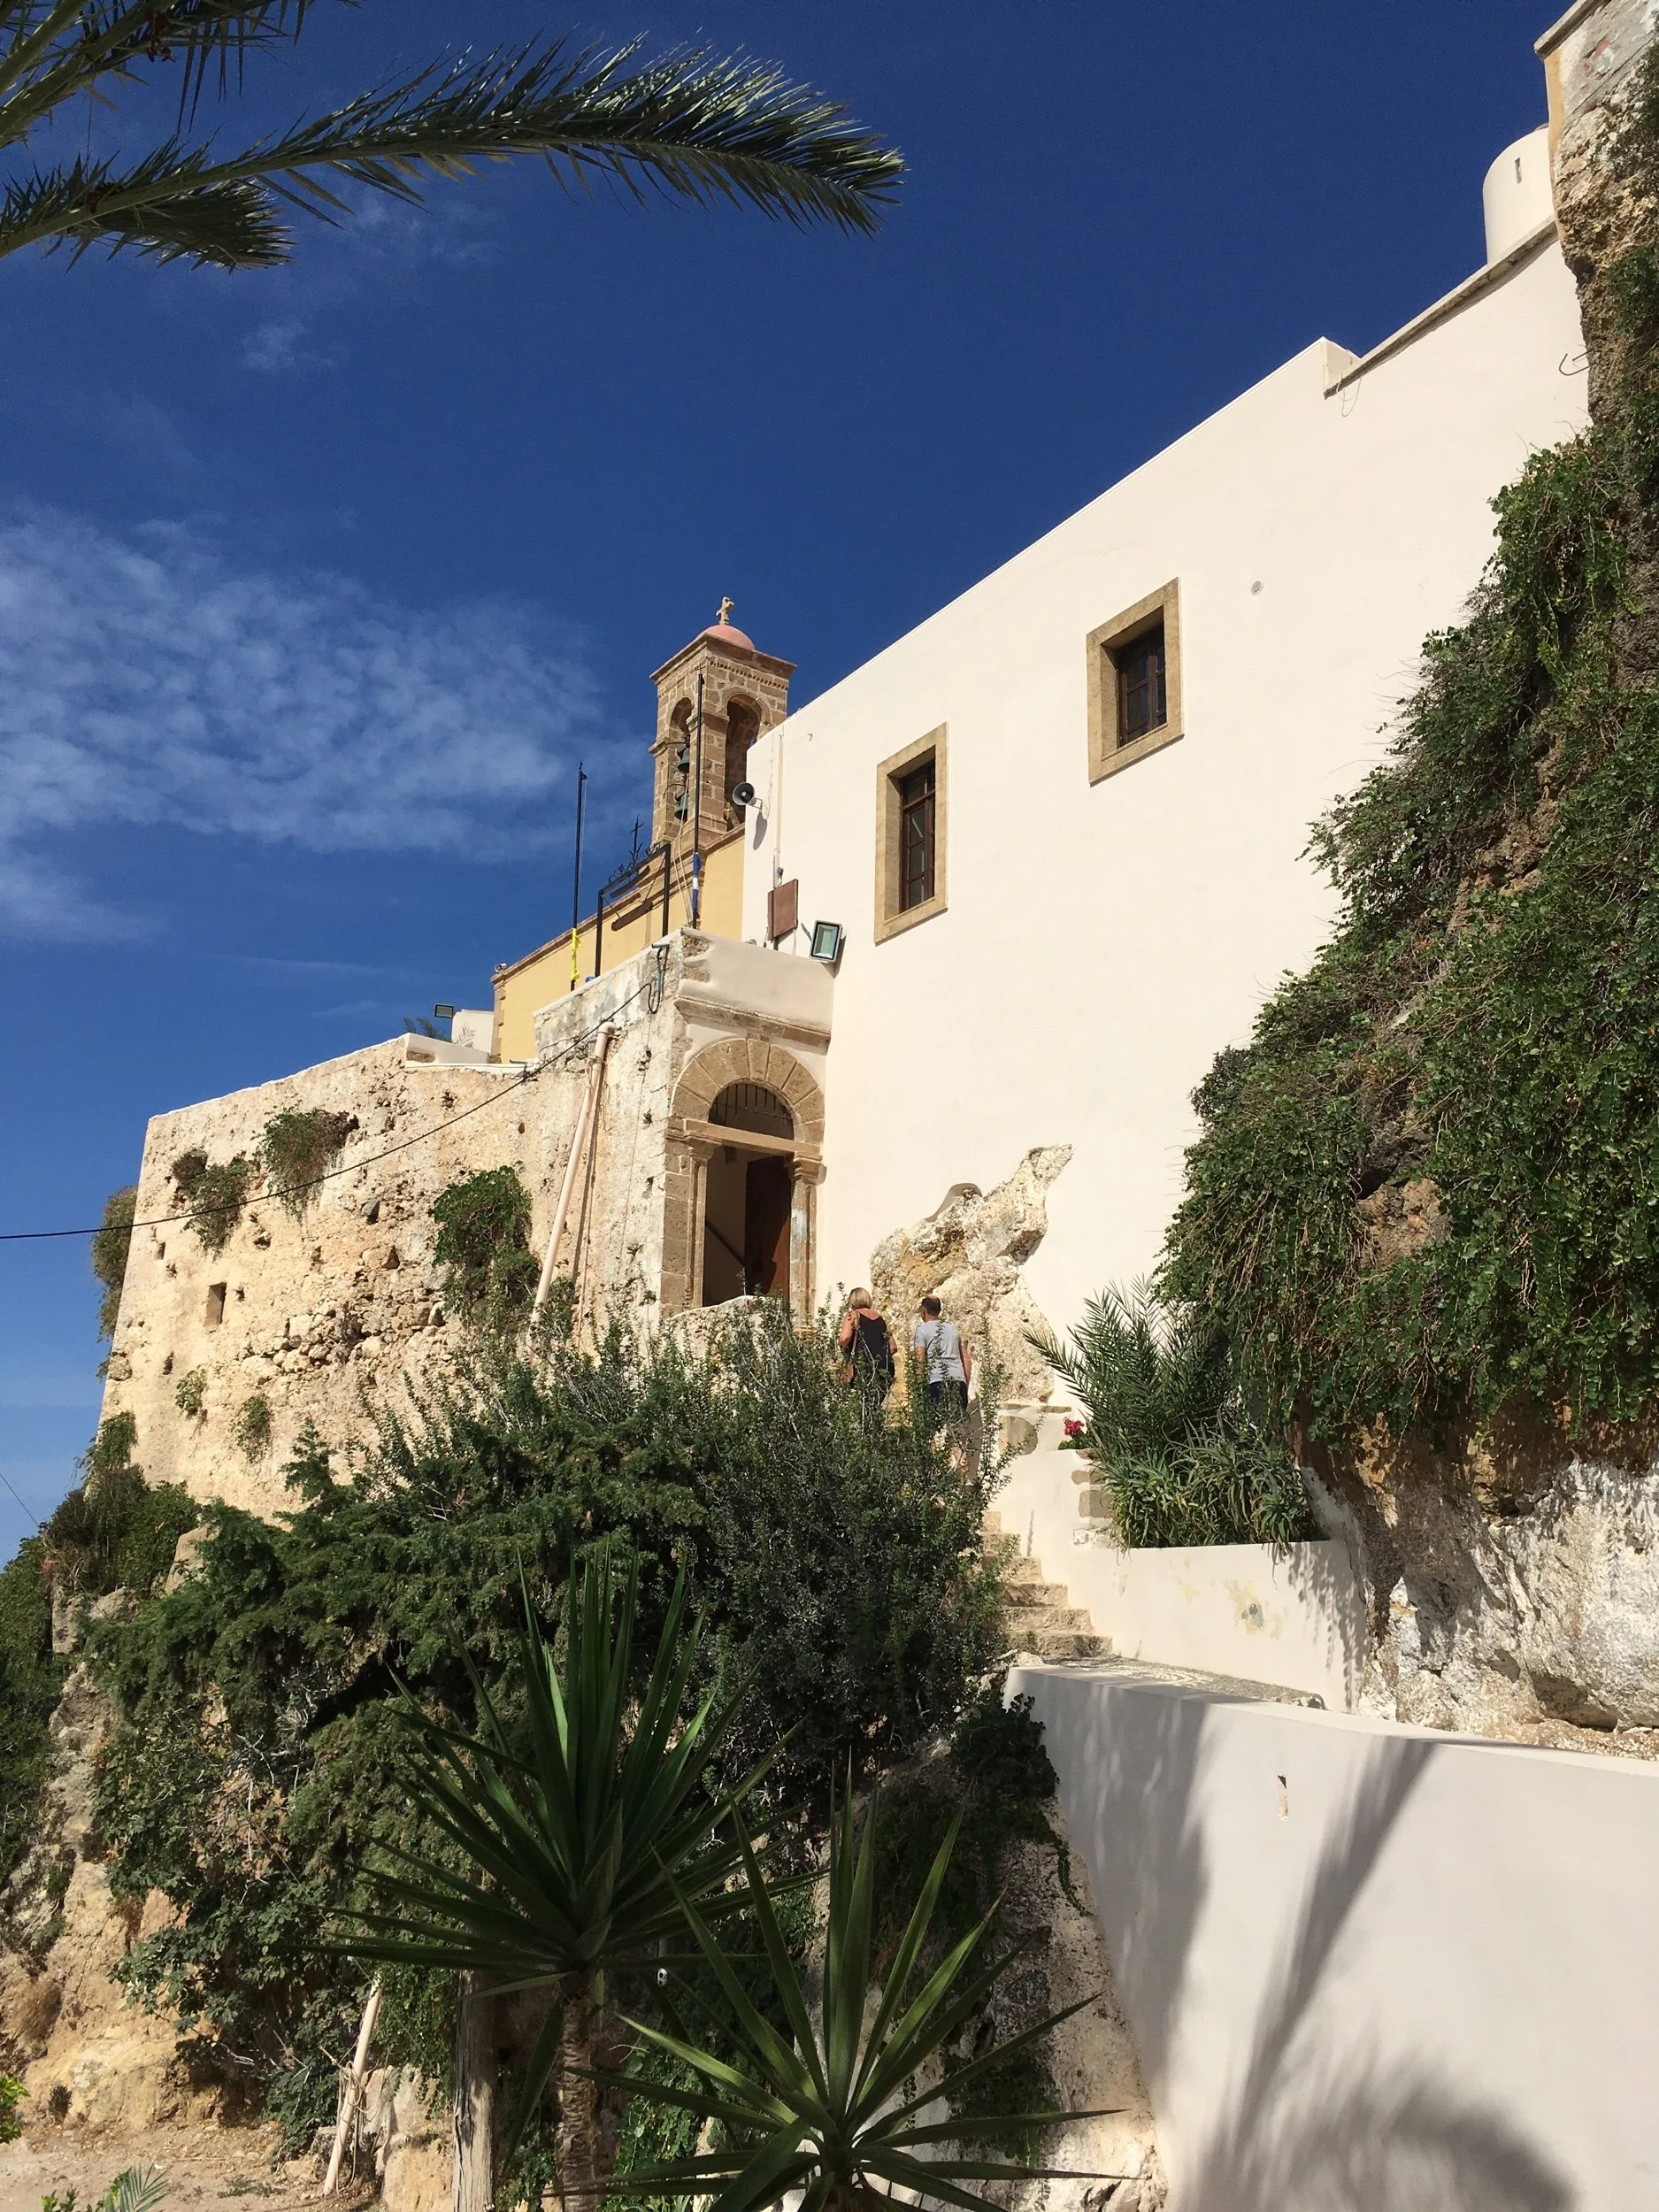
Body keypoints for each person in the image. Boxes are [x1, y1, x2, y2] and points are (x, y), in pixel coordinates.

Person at [912, 1294, 972, 1422]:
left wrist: (918, 1388)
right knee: (955, 1427)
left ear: (924, 1310)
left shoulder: (922, 1330)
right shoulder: (954, 1330)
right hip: (958, 1380)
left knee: (931, 1427)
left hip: (936, 1381)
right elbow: (966, 1359)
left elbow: (920, 1358)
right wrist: (964, 1385)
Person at [838, 1289, 895, 1396]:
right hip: (884, 1367)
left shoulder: (853, 1315)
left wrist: (843, 1350)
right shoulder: (881, 1319)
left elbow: (844, 1338)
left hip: (862, 1365)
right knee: (873, 1405)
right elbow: (893, 1347)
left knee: (858, 1404)